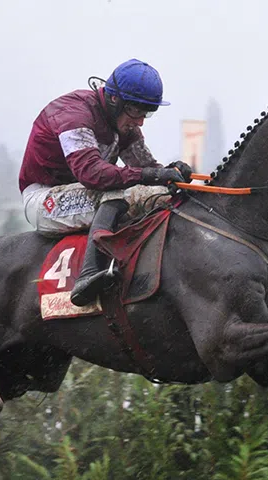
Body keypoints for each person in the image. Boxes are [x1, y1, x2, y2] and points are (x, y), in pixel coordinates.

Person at [18, 58, 193, 307]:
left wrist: (172, 172)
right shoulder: (73, 114)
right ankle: (88, 275)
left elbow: (148, 170)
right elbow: (92, 174)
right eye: (137, 111)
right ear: (114, 99)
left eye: (147, 112)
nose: (141, 121)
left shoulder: (124, 124)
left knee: (157, 195)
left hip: (85, 194)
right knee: (116, 193)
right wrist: (153, 175)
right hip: (43, 199)